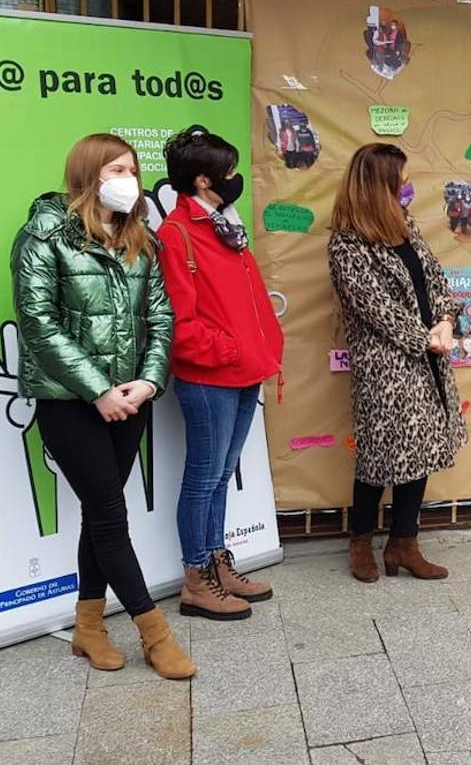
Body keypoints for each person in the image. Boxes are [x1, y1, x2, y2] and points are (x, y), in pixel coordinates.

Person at [10, 133, 193, 678]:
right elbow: (37, 324)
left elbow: (160, 318)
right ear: (88, 173)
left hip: (129, 401)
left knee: (102, 512)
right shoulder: (43, 236)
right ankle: (154, 633)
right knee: (112, 515)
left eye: (132, 170)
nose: (127, 180)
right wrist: (98, 389)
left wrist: (148, 382)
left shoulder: (140, 239)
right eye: (116, 169)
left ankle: (87, 627)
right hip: (69, 402)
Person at [155, 127, 284, 620]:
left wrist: (258, 348)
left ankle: (216, 562)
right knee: (204, 477)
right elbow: (178, 326)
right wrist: (231, 349)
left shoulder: (223, 226)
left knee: (222, 474)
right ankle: (196, 579)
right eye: (228, 173)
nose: (237, 180)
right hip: (211, 376)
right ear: (204, 181)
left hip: (242, 370)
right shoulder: (177, 234)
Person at [327, 143, 467, 583]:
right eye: (399, 177)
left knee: (421, 448)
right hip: (386, 366)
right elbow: (374, 306)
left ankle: (404, 543)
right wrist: (425, 338)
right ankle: (361, 541)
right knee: (378, 456)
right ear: (377, 184)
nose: (407, 184)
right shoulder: (346, 244)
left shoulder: (406, 226)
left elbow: (436, 279)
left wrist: (445, 320)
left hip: (428, 356)